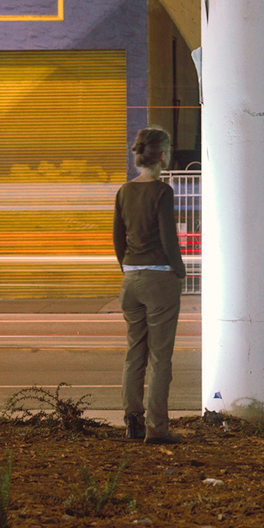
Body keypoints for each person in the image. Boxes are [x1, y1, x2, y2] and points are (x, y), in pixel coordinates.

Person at [114, 127, 185, 444]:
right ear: (161, 154)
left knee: (134, 354)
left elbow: (118, 239)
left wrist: (128, 267)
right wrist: (179, 270)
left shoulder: (124, 191)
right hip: (159, 279)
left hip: (130, 280)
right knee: (160, 358)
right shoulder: (162, 191)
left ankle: (132, 423)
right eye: (168, 149)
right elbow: (170, 239)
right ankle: (157, 429)